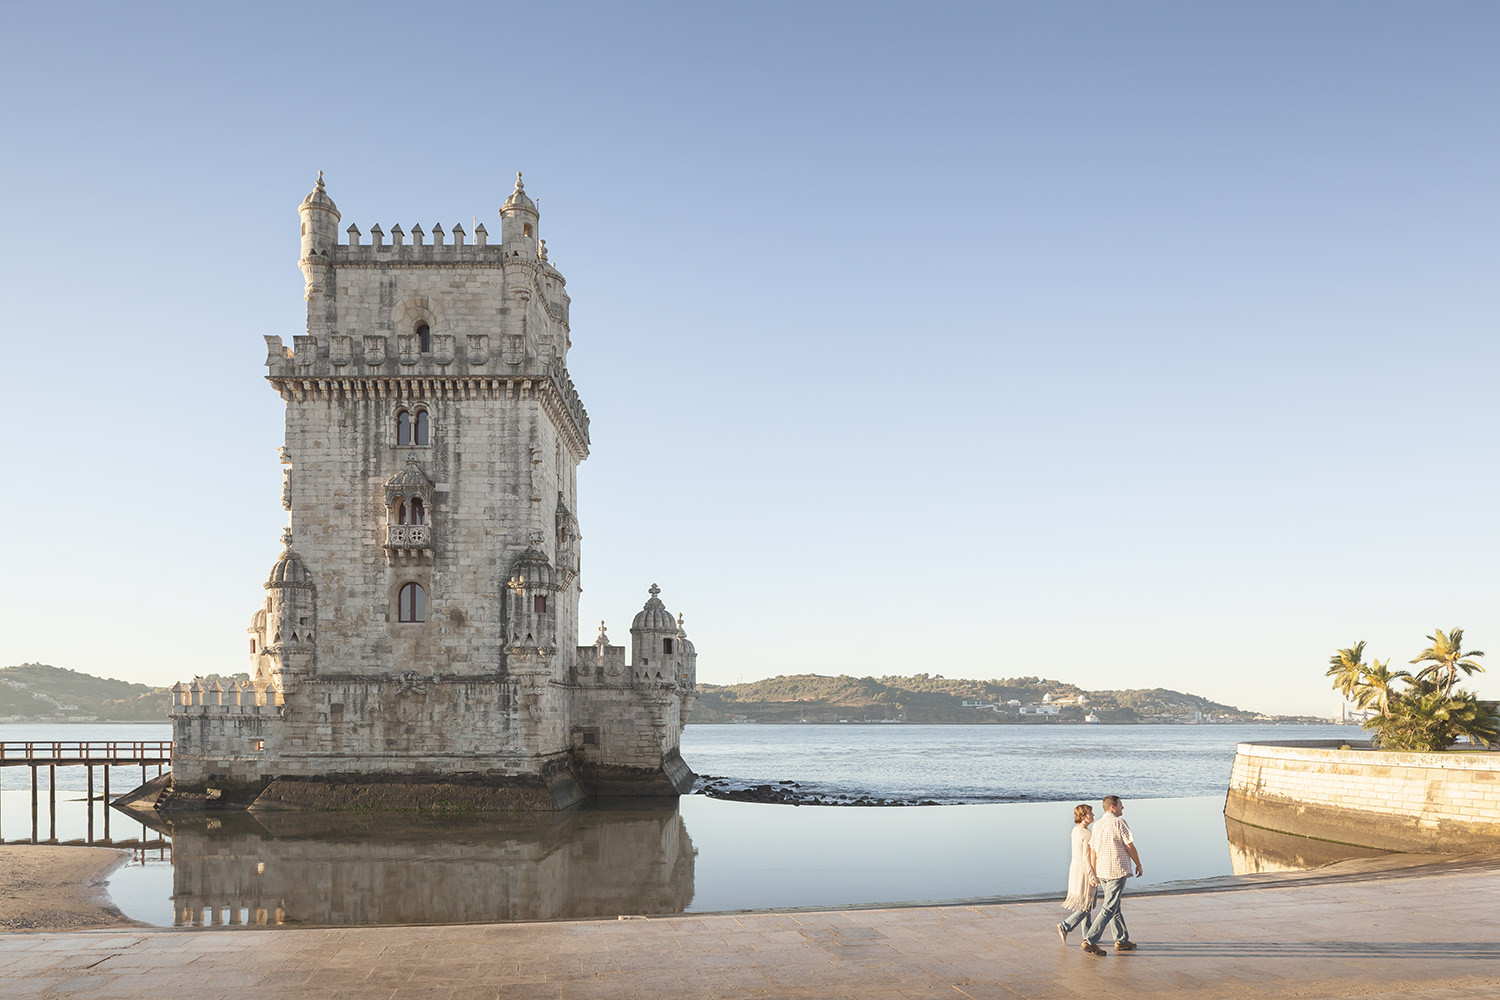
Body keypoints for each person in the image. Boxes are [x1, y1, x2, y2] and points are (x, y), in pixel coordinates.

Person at [1080, 794, 1142, 956]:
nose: (1123, 807)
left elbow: (1093, 851)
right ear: (1113, 807)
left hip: (1102, 870)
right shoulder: (1119, 822)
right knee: (1109, 907)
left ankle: (1121, 940)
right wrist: (1139, 864)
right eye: (1121, 805)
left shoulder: (1097, 825)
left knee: (1114, 906)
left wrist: (1094, 872)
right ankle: (1089, 940)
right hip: (1116, 870)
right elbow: (1129, 846)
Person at [1056, 803, 1098, 943]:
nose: (1093, 815)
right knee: (1088, 904)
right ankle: (1066, 925)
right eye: (1091, 813)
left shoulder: (1075, 830)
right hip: (1085, 871)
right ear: (1084, 816)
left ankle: (1088, 935)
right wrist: (1092, 876)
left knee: (1084, 904)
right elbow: (1087, 858)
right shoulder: (1087, 834)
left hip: (1076, 867)